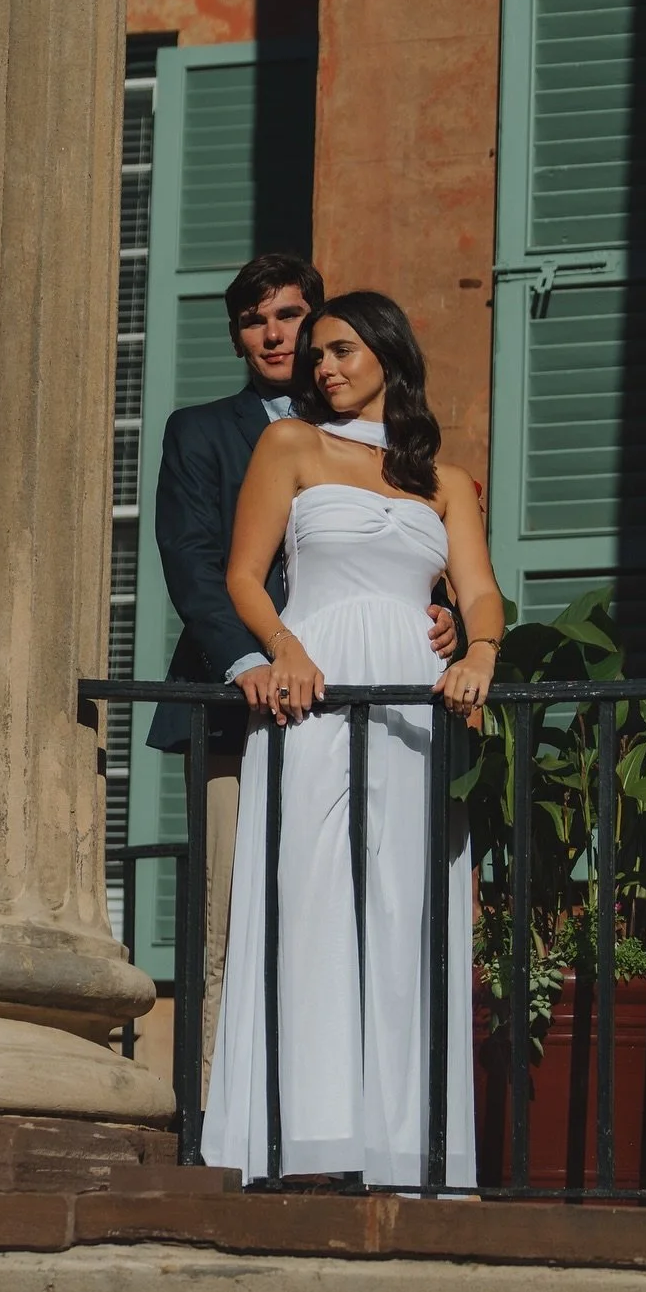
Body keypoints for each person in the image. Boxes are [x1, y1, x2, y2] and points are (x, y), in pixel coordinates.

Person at [201, 291, 506, 1187]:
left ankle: (406, 1146)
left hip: (415, 702)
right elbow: (242, 575)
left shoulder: (441, 479)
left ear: (387, 353)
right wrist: (284, 647)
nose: (323, 366)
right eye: (316, 356)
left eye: (340, 350)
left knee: (408, 904)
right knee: (309, 892)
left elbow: (479, 588)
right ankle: (305, 1138)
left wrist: (479, 649)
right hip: (315, 691)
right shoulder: (289, 445)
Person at [145, 255, 456, 1099]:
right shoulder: (203, 430)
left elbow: (421, 554)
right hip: (236, 701)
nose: (277, 335)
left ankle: (338, 1112)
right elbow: (194, 564)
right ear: (239, 337)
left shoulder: (391, 445)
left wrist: (447, 615)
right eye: (256, 320)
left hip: (363, 704)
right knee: (234, 915)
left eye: (291, 316)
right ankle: (218, 1118)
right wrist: (253, 658)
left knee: (360, 908)